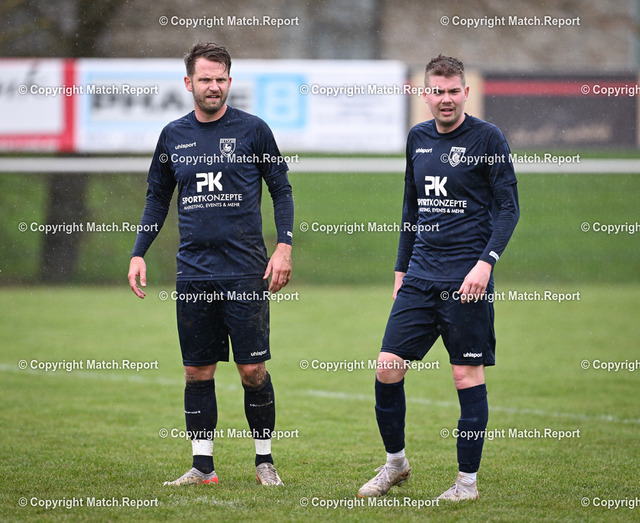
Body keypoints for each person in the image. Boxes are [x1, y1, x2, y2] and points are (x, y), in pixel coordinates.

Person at [127, 42, 293, 487]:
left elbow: (281, 189)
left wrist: (284, 246)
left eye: (220, 79)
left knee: (252, 370)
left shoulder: (253, 130)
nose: (213, 86)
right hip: (194, 273)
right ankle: (203, 467)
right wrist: (139, 252)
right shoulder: (173, 136)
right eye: (205, 79)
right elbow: (157, 198)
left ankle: (264, 461)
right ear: (189, 83)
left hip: (245, 271)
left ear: (229, 82)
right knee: (197, 370)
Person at [358, 55, 519, 501]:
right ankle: (395, 464)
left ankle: (466, 484)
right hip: (420, 277)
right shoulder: (418, 138)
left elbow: (509, 209)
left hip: (467, 280)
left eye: (453, 91)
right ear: (425, 94)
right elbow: (410, 208)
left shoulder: (488, 138)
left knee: (465, 376)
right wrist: (400, 269)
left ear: (465, 92)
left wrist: (486, 263)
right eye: (437, 91)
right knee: (387, 368)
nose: (445, 99)